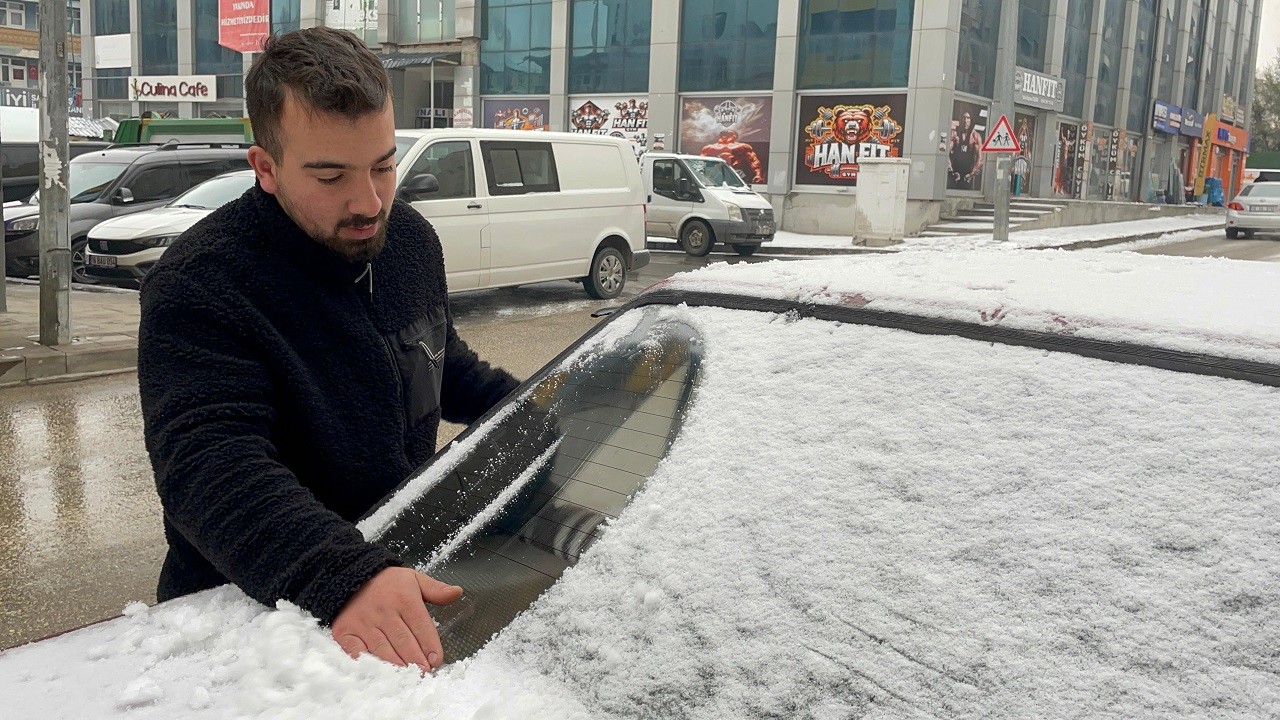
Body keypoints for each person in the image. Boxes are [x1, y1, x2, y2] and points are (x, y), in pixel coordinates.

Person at [136, 27, 520, 674]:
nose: (368, 202)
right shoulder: (201, 284)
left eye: (383, 166)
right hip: (254, 625)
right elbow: (209, 466)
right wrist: (343, 575)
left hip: (393, 578)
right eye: (331, 175)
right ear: (265, 168)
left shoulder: (409, 243)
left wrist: (535, 412)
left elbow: (437, 360)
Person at [948, 111, 983, 190]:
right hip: (956, 173)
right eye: (964, 118)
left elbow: (980, 158)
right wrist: (951, 171)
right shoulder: (955, 135)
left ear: (971, 120)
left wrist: (972, 174)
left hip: (968, 175)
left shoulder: (975, 136)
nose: (966, 121)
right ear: (961, 119)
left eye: (968, 118)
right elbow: (946, 153)